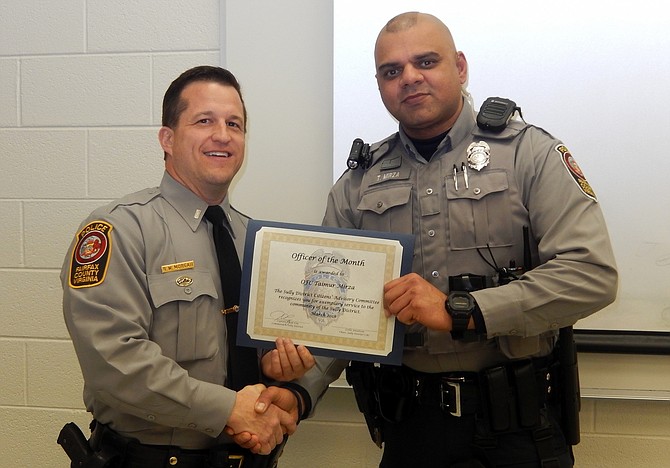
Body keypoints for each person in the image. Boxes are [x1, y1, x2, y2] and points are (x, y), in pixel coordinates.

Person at [256, 11, 618, 468]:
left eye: (425, 62)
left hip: (519, 432)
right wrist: (300, 393)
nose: (409, 78)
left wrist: (461, 312)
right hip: (413, 430)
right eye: (392, 71)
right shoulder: (358, 183)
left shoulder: (530, 154)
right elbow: (337, 310)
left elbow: (592, 275)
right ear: (380, 83)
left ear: (460, 67)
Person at [60, 65, 313, 468]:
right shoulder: (120, 230)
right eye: (204, 121)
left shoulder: (258, 241)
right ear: (168, 138)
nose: (223, 135)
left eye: (235, 123)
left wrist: (285, 380)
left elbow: (272, 356)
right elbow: (114, 363)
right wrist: (230, 409)